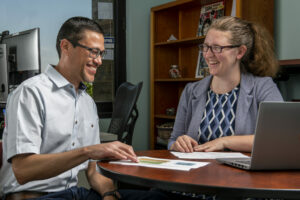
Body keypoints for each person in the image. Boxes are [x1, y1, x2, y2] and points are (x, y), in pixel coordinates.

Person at [0, 17, 164, 200]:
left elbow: (93, 169)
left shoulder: (87, 103)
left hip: (76, 194)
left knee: (160, 197)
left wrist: (109, 194)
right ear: (66, 47)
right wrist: (89, 151)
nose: (100, 61)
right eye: (94, 52)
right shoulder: (30, 93)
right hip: (35, 196)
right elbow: (23, 170)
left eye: (101, 53)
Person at [164, 16, 283, 199]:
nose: (208, 54)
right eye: (205, 47)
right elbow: (172, 142)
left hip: (242, 190)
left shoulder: (263, 87)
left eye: (217, 48)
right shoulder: (191, 91)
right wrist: (178, 143)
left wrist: (225, 141)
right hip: (194, 187)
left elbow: (277, 139)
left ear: (240, 52)